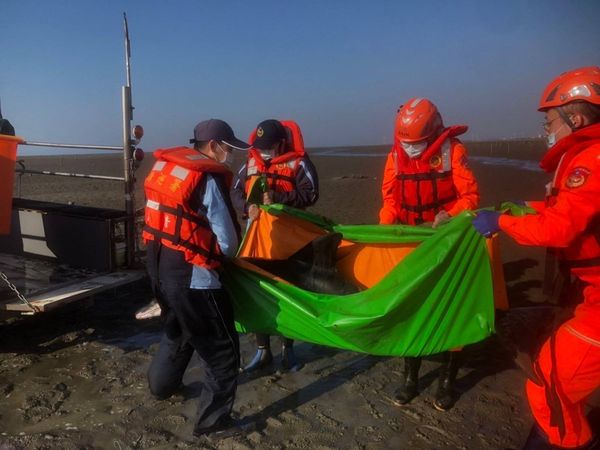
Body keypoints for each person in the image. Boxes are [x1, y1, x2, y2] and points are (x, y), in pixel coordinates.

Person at [473, 66, 600, 449]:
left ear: (574, 118)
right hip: (589, 295)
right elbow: (566, 210)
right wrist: (520, 209)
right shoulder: (586, 157)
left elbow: (558, 229)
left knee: (549, 383)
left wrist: (502, 223)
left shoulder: (589, 162)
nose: (547, 128)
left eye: (550, 120)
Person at [143, 119, 253, 439]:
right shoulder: (207, 176)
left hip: (159, 269)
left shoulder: (166, 170)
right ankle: (213, 423)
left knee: (178, 330)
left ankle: (162, 387)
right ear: (214, 145)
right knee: (222, 351)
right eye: (229, 148)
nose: (231, 154)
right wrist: (229, 259)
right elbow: (228, 241)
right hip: (195, 275)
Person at [379, 97, 480, 411]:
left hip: (447, 241)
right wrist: (386, 231)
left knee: (452, 308)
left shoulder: (454, 152)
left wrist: (449, 214)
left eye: (418, 143)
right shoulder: (395, 157)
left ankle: (447, 381)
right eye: (407, 143)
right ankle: (410, 378)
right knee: (411, 307)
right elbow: (390, 200)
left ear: (434, 133)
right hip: (412, 241)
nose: (411, 148)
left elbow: (471, 197)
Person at [231, 119, 319, 373]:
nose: (263, 151)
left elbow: (311, 193)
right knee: (258, 291)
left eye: (268, 147)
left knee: (287, 292)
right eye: (260, 147)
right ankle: (262, 351)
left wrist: (279, 198)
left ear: (281, 143)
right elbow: (235, 192)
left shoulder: (299, 163)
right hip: (257, 239)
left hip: (290, 240)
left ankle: (288, 350)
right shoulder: (250, 163)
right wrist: (247, 206)